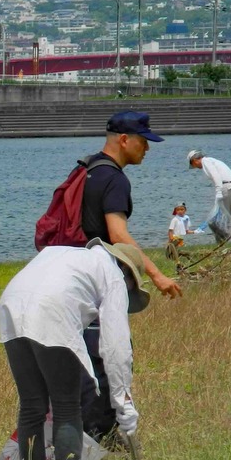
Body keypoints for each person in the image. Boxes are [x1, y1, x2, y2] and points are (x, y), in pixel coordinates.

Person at [0, 239, 149, 460]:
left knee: (32, 406)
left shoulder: (66, 254)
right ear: (127, 274)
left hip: (10, 306)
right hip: (53, 310)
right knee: (67, 404)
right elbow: (116, 347)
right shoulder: (113, 276)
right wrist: (123, 403)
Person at [77, 110, 180, 442]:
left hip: (74, 272)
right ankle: (100, 435)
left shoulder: (86, 167)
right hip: (99, 277)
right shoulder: (116, 178)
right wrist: (156, 275)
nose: (147, 149)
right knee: (110, 356)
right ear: (124, 140)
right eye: (143, 142)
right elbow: (118, 234)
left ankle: (88, 429)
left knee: (84, 355)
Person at [187, 150, 231, 244]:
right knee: (230, 216)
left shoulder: (206, 161)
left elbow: (216, 176)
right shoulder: (214, 161)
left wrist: (218, 191)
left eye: (194, 165)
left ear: (194, 160)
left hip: (226, 187)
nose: (196, 167)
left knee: (220, 218)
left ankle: (223, 239)